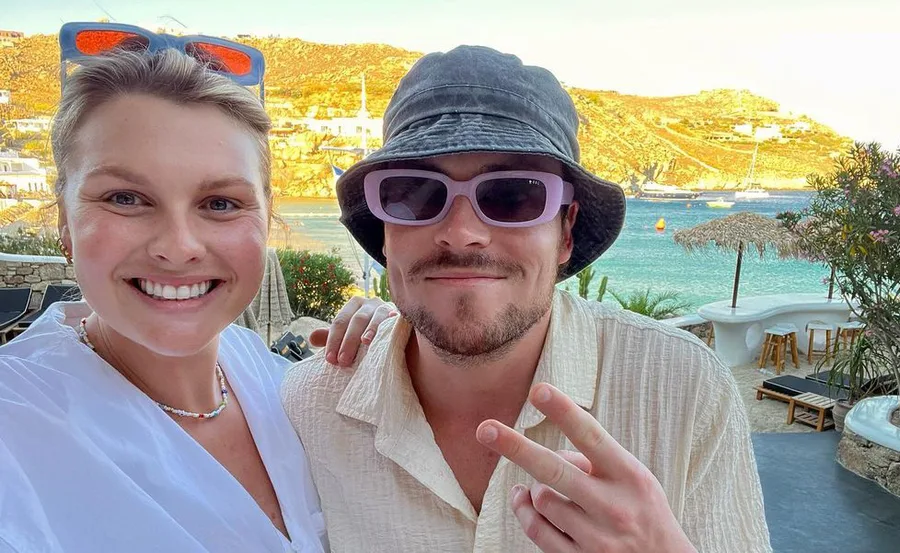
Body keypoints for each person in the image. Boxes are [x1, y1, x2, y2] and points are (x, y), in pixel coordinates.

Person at [282, 45, 772, 552]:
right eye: (416, 194)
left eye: (513, 195)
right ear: (385, 232)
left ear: (566, 232)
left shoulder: (684, 391)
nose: (462, 233)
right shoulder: (309, 407)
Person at [0, 47, 392, 553]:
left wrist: (398, 353)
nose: (178, 246)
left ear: (266, 218)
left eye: (220, 203)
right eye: (125, 198)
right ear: (64, 221)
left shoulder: (282, 384)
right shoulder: (17, 424)